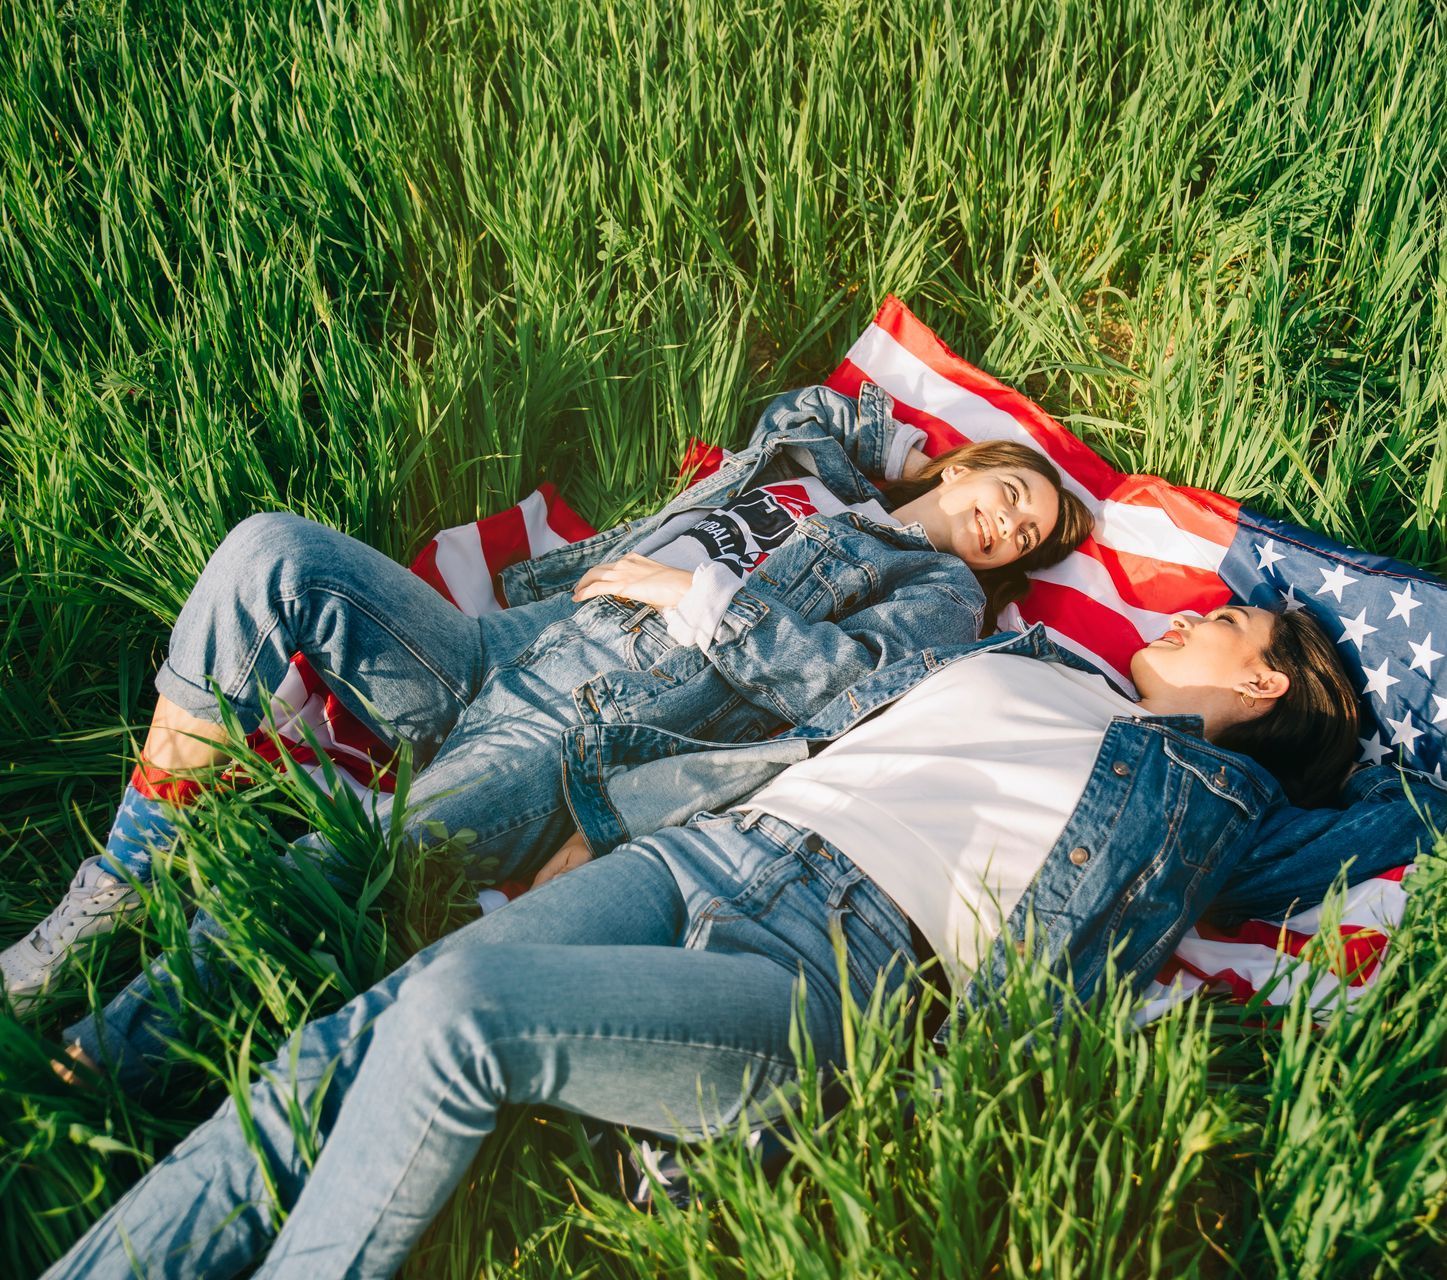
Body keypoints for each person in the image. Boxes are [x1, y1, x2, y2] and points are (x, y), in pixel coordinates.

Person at [43, 606, 1447, 1279]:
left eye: (1226, 622)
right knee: (357, 1035)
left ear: (1261, 683)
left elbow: (1395, 811)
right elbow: (814, 689)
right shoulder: (1022, 659)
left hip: (838, 975)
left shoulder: (1223, 804)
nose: (1189, 610)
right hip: (702, 849)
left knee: (456, 1017)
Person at [0, 382, 1092, 1009]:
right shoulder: (820, 464)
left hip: (586, 722)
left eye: (1025, 535)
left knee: (344, 857)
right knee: (268, 554)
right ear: (962, 469)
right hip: (502, 641)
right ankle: (116, 885)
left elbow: (852, 687)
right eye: (1007, 491)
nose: (1007, 524)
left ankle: (104, 1050)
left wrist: (703, 597)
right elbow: (813, 402)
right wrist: (894, 444)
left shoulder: (940, 589)